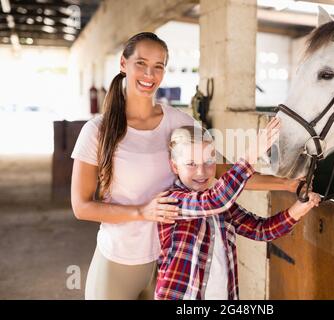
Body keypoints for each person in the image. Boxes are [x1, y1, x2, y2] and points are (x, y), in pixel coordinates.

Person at [70, 32, 307, 300]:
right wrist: (142, 212)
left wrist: (287, 184)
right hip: (120, 260)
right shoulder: (97, 131)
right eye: (141, 63)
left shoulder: (178, 122)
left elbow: (220, 173)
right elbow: (81, 207)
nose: (150, 74)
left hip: (167, 264)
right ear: (123, 64)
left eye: (158, 66)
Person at [155, 121, 320, 300]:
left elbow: (261, 230)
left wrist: (299, 208)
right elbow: (214, 201)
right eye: (191, 164)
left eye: (209, 162)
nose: (201, 172)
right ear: (174, 167)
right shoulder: (171, 201)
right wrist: (251, 155)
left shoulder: (222, 206)